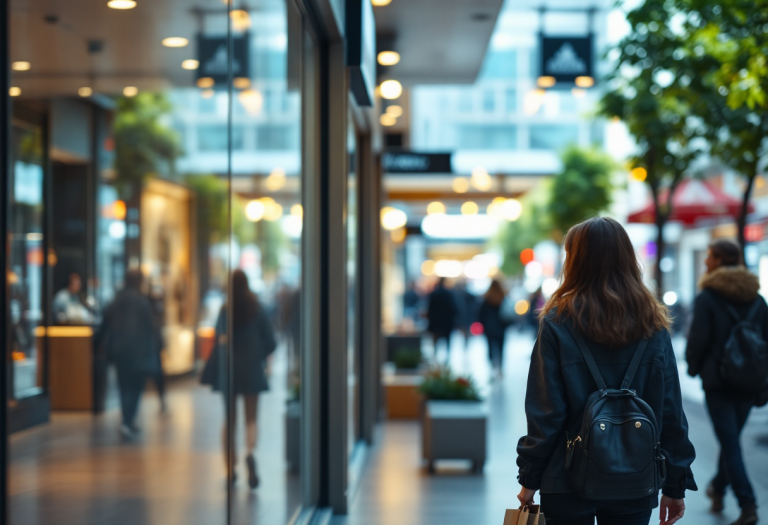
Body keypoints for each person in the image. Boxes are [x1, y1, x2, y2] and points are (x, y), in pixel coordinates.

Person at [516, 217, 696, 525]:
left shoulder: (558, 323)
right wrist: (675, 483)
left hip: (566, 477)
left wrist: (530, 475)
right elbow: (669, 409)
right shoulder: (654, 325)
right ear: (627, 258)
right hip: (635, 475)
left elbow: (546, 411)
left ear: (575, 261)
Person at [686, 239, 768, 525]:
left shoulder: (708, 297)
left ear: (720, 260)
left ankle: (748, 505)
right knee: (730, 440)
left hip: (718, 382)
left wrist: (693, 368)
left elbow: (698, 339)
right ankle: (718, 488)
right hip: (750, 382)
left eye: (709, 257)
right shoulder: (758, 300)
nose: (706, 262)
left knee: (730, 443)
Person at [201, 270, 277, 489]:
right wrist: (258, 355)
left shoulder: (226, 310)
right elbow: (271, 342)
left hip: (229, 371)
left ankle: (230, 468)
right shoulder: (257, 309)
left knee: (229, 421)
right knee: (251, 419)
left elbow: (218, 339)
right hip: (252, 370)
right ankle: (250, 452)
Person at [94, 269, 161, 439]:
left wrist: (96, 345)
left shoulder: (116, 300)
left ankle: (127, 420)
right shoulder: (142, 302)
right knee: (136, 387)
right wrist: (158, 347)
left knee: (124, 386)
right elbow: (152, 328)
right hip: (140, 351)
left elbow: (104, 324)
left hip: (120, 351)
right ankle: (128, 420)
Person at [479, 279, 510, 378]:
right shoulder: (502, 297)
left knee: (490, 348)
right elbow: (508, 312)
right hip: (501, 328)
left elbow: (480, 314)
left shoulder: (486, 298)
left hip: (489, 328)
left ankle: (493, 367)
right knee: (501, 348)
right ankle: (500, 369)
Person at [426, 277, 458, 362]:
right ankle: (447, 355)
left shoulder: (434, 293)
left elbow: (429, 309)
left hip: (435, 321)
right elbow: (453, 308)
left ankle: (435, 355)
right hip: (446, 321)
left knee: (436, 339)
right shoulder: (448, 294)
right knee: (447, 339)